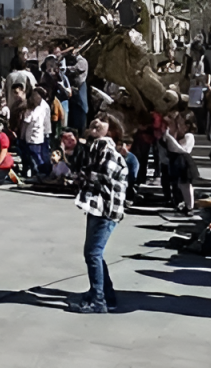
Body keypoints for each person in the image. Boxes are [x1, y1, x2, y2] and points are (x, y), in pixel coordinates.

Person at [72, 114, 129, 314]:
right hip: (97, 207)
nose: (96, 121)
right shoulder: (95, 149)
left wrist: (80, 175)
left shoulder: (107, 150)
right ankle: (106, 293)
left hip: (106, 210)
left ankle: (99, 300)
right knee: (93, 252)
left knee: (93, 253)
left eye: (103, 120)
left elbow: (101, 176)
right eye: (95, 119)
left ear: (111, 130)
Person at [163, 112, 198, 215]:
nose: (179, 126)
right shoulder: (177, 135)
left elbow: (182, 149)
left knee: (186, 185)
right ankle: (183, 203)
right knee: (180, 185)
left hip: (185, 162)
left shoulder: (189, 136)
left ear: (188, 125)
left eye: (181, 124)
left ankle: (190, 206)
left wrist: (169, 137)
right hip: (176, 161)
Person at [20, 87, 51, 181]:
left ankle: (39, 172)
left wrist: (21, 135)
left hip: (36, 135)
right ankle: (37, 172)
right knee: (35, 155)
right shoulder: (38, 106)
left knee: (36, 155)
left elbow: (28, 121)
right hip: (37, 134)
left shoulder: (39, 107)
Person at [66, 49, 90, 132]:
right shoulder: (74, 61)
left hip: (81, 86)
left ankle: (81, 128)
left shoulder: (82, 61)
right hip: (75, 88)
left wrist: (66, 69)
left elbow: (77, 69)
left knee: (82, 106)